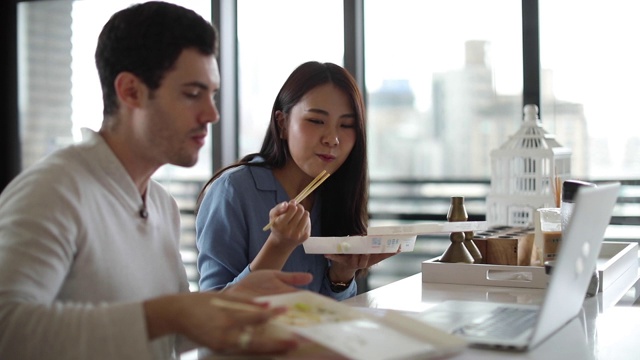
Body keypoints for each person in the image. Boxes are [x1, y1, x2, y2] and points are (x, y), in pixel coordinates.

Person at [0, 2, 314, 359]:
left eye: (212, 95)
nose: (211, 114)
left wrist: (229, 303)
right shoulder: (54, 191)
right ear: (131, 91)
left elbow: (170, 336)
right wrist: (168, 312)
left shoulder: (161, 204)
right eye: (192, 94)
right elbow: (7, 329)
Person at [196, 61, 395, 300]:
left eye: (346, 125)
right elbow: (213, 309)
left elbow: (323, 313)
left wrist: (342, 274)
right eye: (316, 121)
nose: (332, 139)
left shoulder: (336, 193)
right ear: (282, 123)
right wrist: (278, 246)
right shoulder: (234, 190)